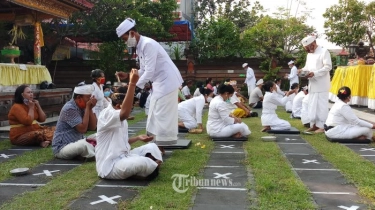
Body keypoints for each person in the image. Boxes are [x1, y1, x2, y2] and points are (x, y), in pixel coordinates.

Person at [116, 18, 183, 153]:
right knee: (153, 112)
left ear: (132, 34)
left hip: (167, 82)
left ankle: (160, 146)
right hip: (159, 83)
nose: (126, 43)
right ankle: (157, 145)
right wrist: (128, 76)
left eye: (125, 39)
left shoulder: (147, 44)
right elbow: (144, 70)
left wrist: (132, 85)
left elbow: (150, 71)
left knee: (161, 114)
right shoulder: (140, 47)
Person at [96, 69, 162, 180]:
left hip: (125, 156)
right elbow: (124, 113)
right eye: (129, 105)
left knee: (152, 147)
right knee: (142, 162)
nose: (131, 107)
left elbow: (122, 141)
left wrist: (137, 138)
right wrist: (132, 84)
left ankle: (150, 165)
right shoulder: (107, 114)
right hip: (110, 165)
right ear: (117, 106)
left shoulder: (121, 117)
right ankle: (149, 166)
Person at [52, 83, 97, 160]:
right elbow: (82, 129)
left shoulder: (82, 106)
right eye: (88, 97)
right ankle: (94, 154)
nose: (90, 100)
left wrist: (89, 109)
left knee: (99, 135)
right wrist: (87, 107)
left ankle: (86, 153)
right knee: (83, 145)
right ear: (79, 98)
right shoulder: (69, 108)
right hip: (62, 147)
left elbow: (93, 127)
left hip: (78, 141)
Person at [300, 35, 332, 133]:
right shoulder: (309, 54)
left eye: (309, 47)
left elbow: (328, 67)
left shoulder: (324, 51)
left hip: (322, 84)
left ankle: (322, 126)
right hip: (312, 85)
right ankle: (313, 125)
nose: (309, 50)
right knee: (312, 105)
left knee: (321, 106)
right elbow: (307, 67)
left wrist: (315, 73)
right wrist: (302, 70)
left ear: (313, 43)